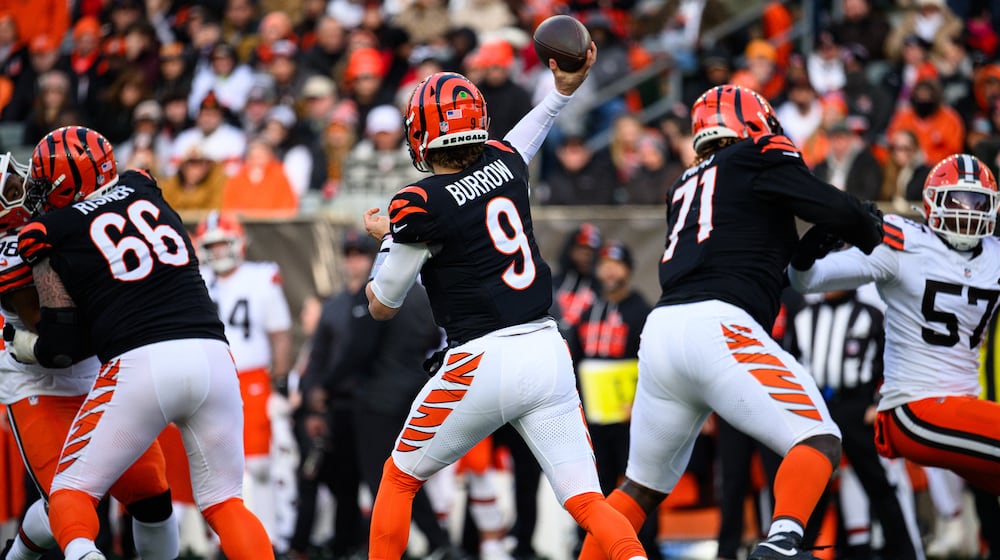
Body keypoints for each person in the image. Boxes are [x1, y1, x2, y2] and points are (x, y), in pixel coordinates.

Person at [360, 48, 650, 560]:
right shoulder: (505, 163)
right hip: (546, 348)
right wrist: (563, 90)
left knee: (399, 478)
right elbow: (527, 134)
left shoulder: (419, 204)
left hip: (483, 358)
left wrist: (389, 242)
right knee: (586, 500)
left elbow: (383, 303)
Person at [577, 83, 884, 560]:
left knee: (640, 489)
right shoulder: (757, 154)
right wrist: (864, 224)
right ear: (753, 126)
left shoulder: (684, 184)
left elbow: (760, 256)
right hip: (719, 327)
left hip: (663, 332)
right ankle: (781, 543)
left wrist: (813, 243)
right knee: (819, 440)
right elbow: (834, 206)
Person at [5, 126, 272, 560]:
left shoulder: (49, 229)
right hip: (214, 354)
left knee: (70, 495)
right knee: (226, 503)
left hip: (142, 362)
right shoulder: (141, 183)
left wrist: (23, 344)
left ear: (64, 183)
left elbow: (60, 344)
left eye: (41, 181)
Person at [0, 151, 178, 560]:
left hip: (99, 370)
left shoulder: (63, 215)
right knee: (69, 504)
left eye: (19, 176)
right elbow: (56, 337)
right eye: (12, 189)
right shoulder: (10, 252)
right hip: (42, 380)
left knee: (150, 493)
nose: (26, 186)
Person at [788, 153, 1000, 495]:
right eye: (957, 201)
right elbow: (807, 281)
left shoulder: (995, 255)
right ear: (932, 203)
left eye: (978, 203)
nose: (967, 211)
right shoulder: (904, 242)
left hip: (963, 409)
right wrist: (805, 255)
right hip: (914, 407)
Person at [295, 230, 449, 559]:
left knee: (385, 479)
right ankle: (415, 543)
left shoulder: (382, 293)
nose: (355, 261)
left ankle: (414, 545)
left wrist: (327, 386)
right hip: (411, 394)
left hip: (376, 399)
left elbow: (359, 349)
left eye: (362, 254)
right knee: (390, 475)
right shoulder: (422, 294)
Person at [784, 289, 920, 560]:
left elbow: (892, 363)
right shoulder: (803, 315)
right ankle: (796, 553)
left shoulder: (870, 315)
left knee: (879, 486)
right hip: (818, 410)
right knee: (811, 489)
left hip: (856, 408)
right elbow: (791, 363)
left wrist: (878, 401)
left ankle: (905, 553)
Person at [193, 211, 294, 549]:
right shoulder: (199, 279)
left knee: (259, 465)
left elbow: (280, 335)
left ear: (238, 243)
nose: (218, 253)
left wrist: (279, 384)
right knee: (215, 465)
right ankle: (226, 541)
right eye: (213, 246)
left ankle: (269, 537)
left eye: (223, 244)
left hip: (250, 379)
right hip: (211, 380)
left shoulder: (261, 277)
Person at [565, 240, 659, 558]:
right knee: (594, 486)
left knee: (638, 484)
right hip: (593, 417)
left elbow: (652, 362)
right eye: (604, 262)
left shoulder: (641, 310)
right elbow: (574, 359)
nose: (609, 269)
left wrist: (641, 402)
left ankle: (645, 546)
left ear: (628, 269)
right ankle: (590, 545)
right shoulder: (587, 310)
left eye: (616, 263)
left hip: (630, 416)